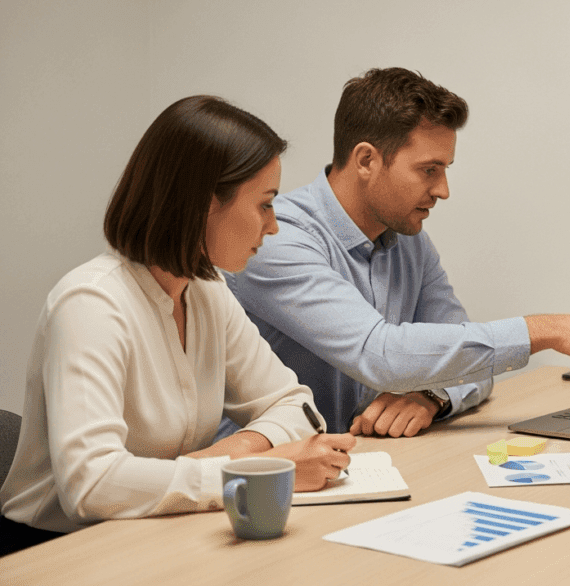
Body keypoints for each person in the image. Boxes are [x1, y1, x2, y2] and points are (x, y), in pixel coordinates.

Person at [0, 96, 355, 555]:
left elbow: (295, 405)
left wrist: (235, 451)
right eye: (264, 205)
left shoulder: (207, 290)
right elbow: (90, 485)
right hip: (53, 552)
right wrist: (251, 467)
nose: (273, 227)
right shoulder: (89, 304)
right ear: (206, 204)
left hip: (153, 533)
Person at [226, 68, 570, 439]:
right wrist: (544, 329)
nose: (442, 191)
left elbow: (468, 356)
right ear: (365, 160)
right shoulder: (275, 237)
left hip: (359, 465)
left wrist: (431, 395)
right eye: (428, 170)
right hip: (262, 477)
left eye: (445, 171)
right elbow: (380, 355)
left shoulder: (408, 237)